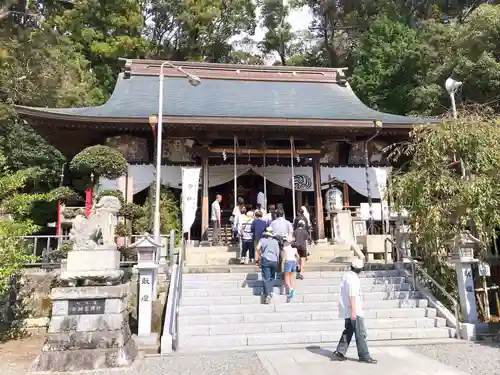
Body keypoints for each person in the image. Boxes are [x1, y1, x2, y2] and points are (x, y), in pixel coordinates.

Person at [332, 258, 377, 364]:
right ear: (360, 269)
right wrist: (354, 311)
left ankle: (340, 351)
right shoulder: (354, 279)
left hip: (346, 309)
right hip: (354, 309)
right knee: (360, 333)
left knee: (348, 330)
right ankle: (364, 356)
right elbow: (352, 295)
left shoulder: (346, 276)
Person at [255, 227, 280, 304]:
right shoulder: (276, 242)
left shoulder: (262, 240)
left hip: (265, 259)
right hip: (274, 260)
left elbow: (257, 249)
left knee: (266, 278)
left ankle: (268, 294)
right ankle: (270, 291)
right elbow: (277, 252)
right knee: (272, 277)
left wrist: (257, 259)